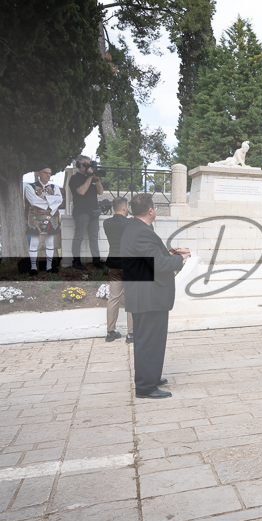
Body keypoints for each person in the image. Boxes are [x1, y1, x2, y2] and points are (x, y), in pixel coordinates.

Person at [121, 194, 189, 399]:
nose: (156, 210)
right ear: (150, 210)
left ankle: (151, 377)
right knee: (149, 341)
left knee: (151, 340)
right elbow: (157, 265)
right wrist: (181, 259)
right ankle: (145, 387)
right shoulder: (142, 231)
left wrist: (169, 253)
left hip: (145, 293)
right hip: (148, 295)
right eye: (155, 208)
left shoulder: (135, 227)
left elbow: (148, 258)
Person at [103, 197, 133, 343]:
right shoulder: (130, 223)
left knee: (113, 298)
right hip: (129, 264)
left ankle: (110, 332)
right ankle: (131, 334)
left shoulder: (106, 223)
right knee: (131, 298)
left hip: (114, 264)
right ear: (124, 207)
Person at [24, 165, 61, 275]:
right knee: (34, 242)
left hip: (51, 218)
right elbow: (33, 201)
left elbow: (59, 199)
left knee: (50, 242)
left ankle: (49, 267)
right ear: (38, 173)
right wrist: (50, 203)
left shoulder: (54, 187)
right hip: (34, 217)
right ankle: (33, 268)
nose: (48, 175)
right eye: (45, 173)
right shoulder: (29, 187)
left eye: (49, 173)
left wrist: (45, 198)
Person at [69, 155, 104, 270]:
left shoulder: (92, 178)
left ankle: (96, 261)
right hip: (81, 211)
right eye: (85, 165)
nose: (88, 167)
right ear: (79, 165)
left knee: (94, 237)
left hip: (94, 211)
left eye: (89, 164)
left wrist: (96, 179)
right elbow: (81, 192)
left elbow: (100, 192)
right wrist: (89, 177)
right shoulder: (74, 178)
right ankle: (76, 262)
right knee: (79, 237)